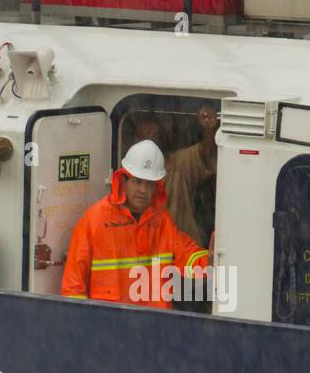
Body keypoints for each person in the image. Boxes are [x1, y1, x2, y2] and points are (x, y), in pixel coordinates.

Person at [61, 139, 209, 309]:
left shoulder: (162, 222)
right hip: (108, 327)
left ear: (157, 187)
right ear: (123, 179)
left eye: (149, 184)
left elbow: (188, 256)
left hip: (154, 325)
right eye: (138, 182)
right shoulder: (95, 219)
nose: (143, 190)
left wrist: (212, 260)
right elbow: (73, 285)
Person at [127, 107, 218, 249]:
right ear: (134, 142)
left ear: (162, 138)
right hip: (146, 255)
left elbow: (206, 153)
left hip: (183, 253)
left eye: (154, 135)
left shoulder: (179, 164)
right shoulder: (126, 173)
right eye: (144, 136)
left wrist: (209, 129)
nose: (149, 142)